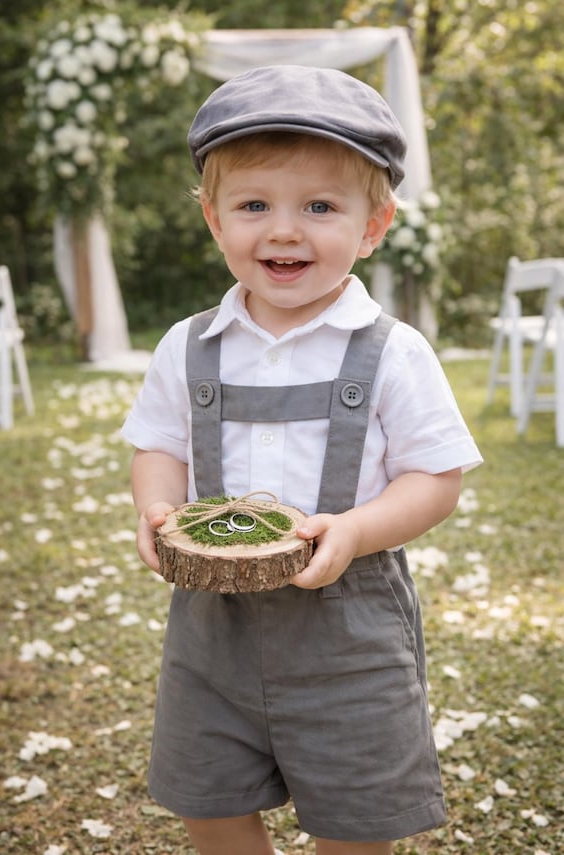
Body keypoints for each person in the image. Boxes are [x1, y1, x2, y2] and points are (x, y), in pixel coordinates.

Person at [122, 65, 482, 855]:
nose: (284, 231)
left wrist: (355, 529)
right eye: (254, 206)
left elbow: (436, 477)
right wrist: (157, 507)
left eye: (320, 206)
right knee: (207, 795)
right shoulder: (189, 346)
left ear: (374, 224)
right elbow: (160, 444)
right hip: (210, 628)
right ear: (215, 222)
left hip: (350, 633)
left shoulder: (392, 352)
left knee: (356, 815)